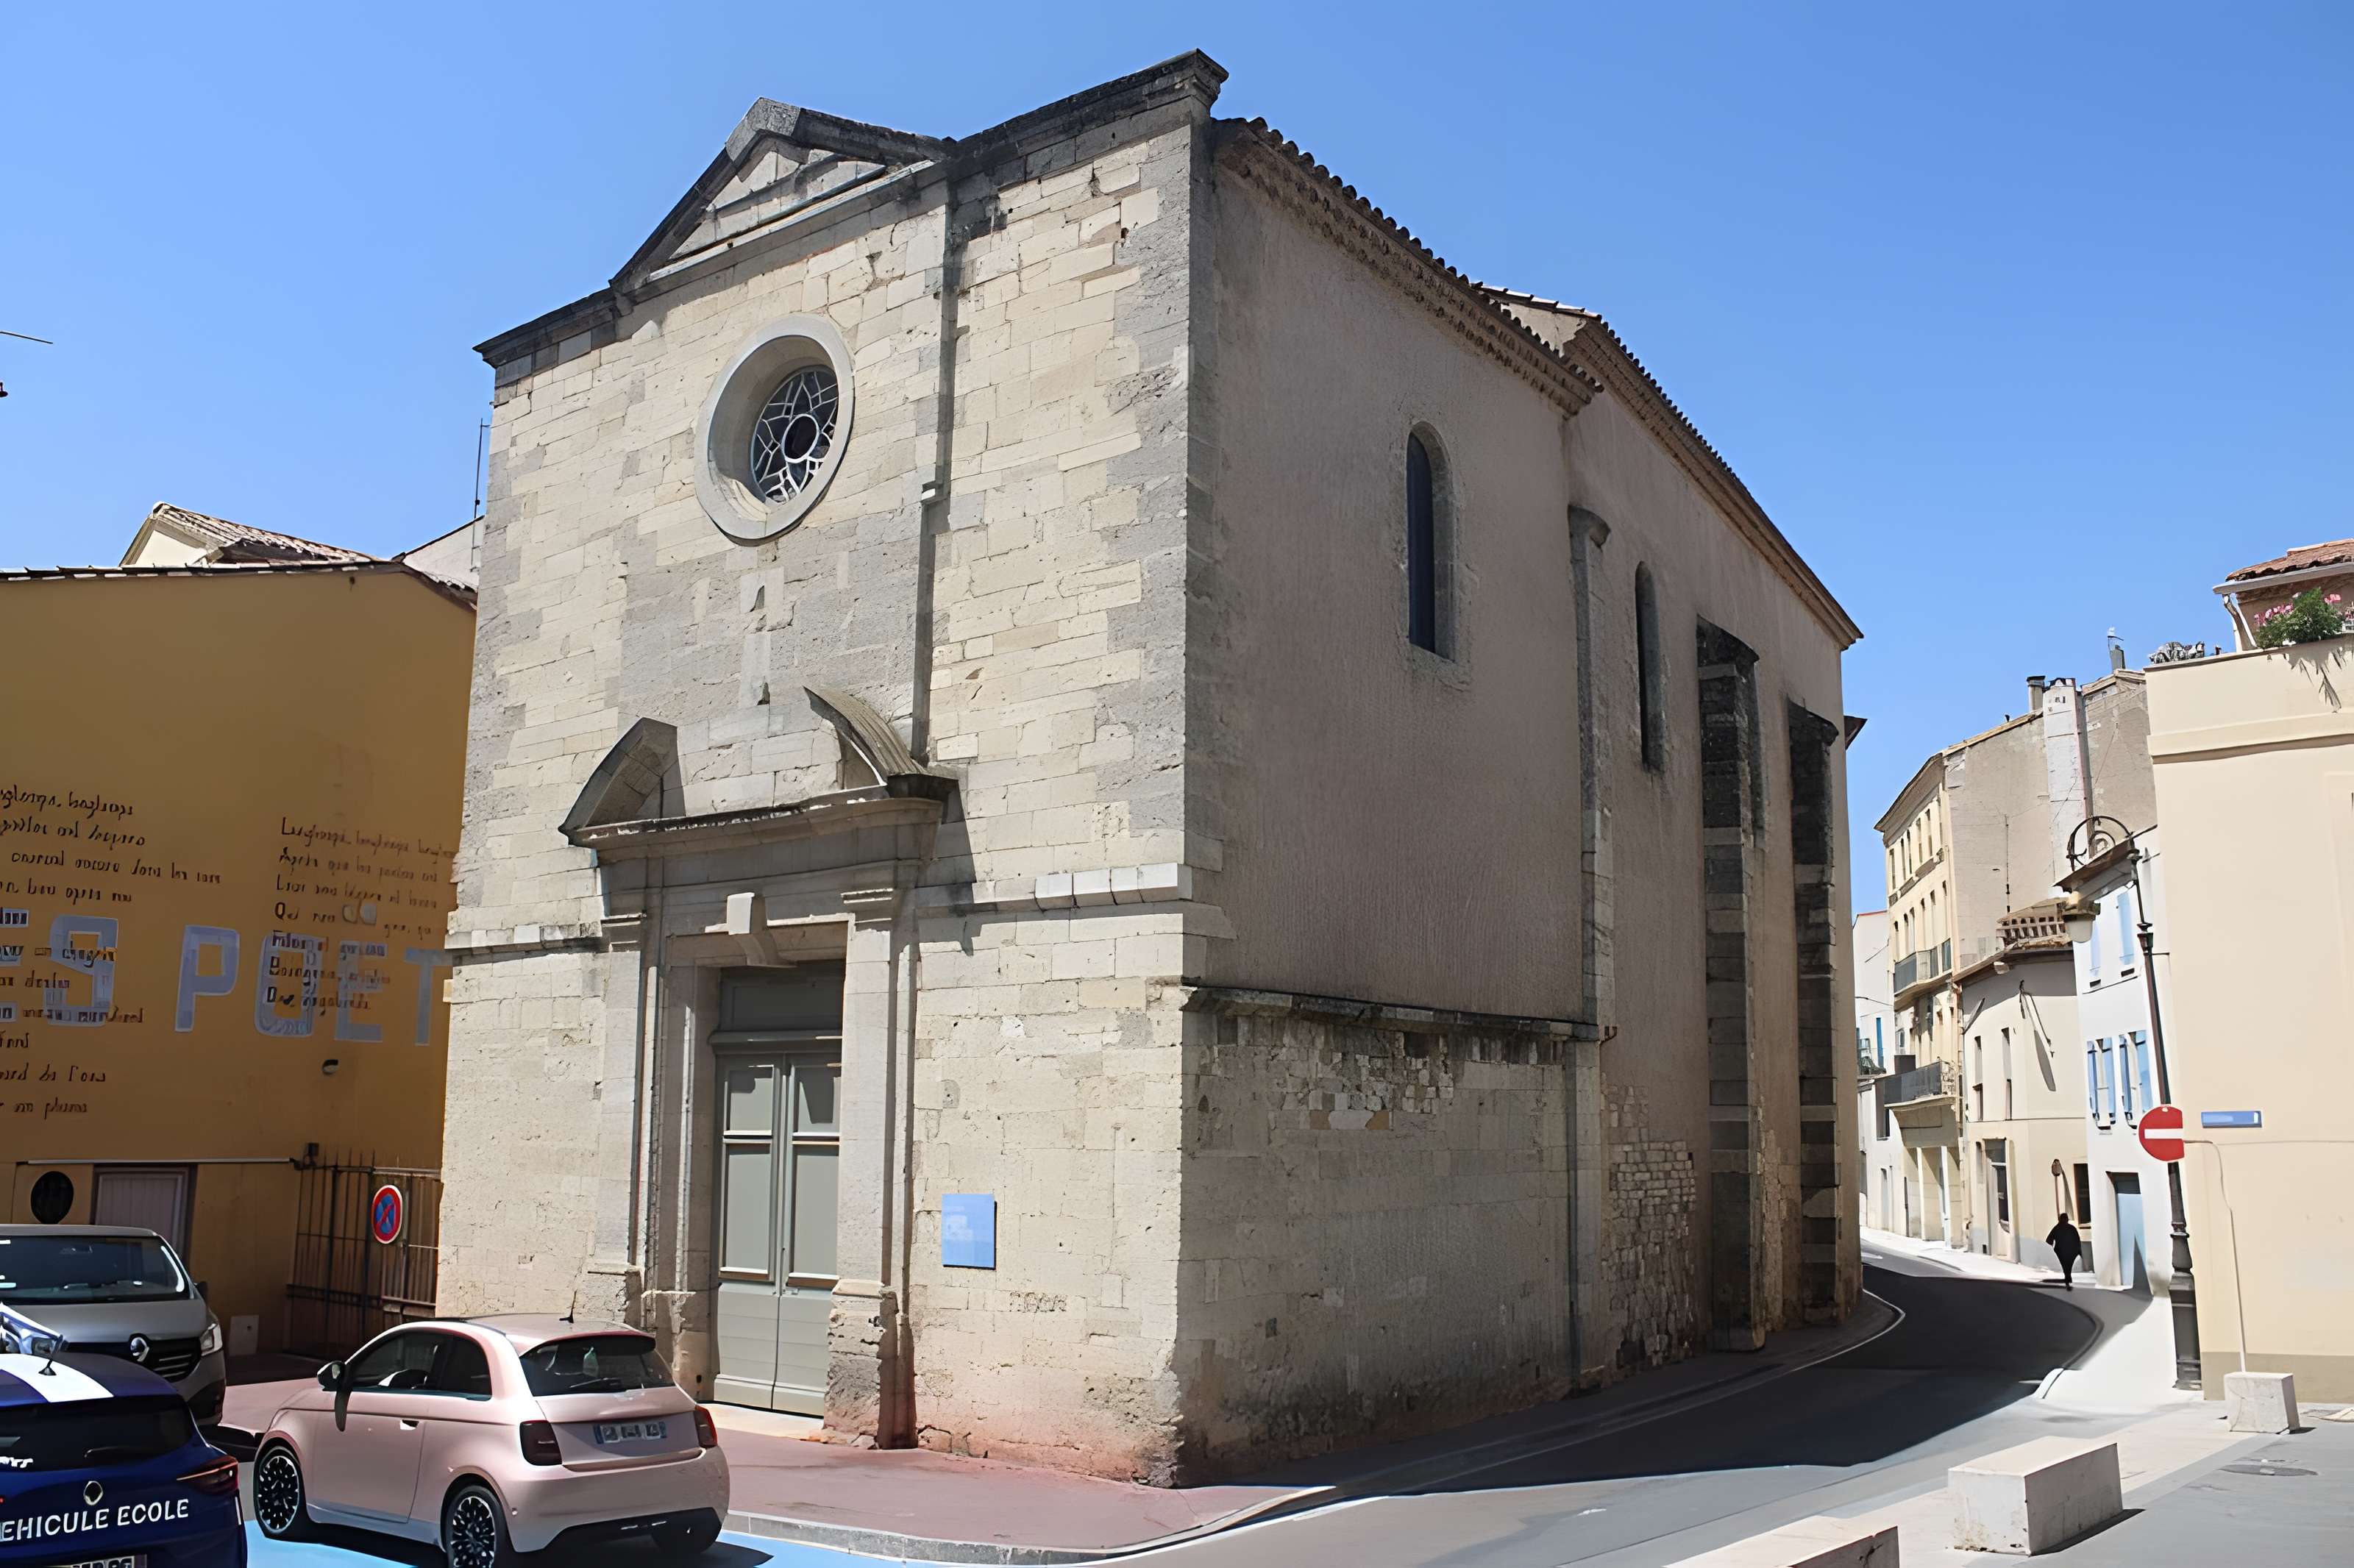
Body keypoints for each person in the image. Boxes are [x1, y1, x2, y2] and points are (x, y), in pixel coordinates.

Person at [2047, 1216, 2083, 1289]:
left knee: (2065, 1264)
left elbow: (2049, 1240)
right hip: (2071, 1250)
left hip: (2061, 1250)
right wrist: (2079, 1251)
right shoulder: (2072, 1228)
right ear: (2067, 1220)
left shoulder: (2057, 1228)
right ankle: (2068, 1275)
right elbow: (2077, 1240)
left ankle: (2067, 1275)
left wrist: (2052, 1247)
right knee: (2069, 1264)